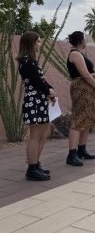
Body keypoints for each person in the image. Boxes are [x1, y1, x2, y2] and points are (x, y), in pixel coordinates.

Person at [17, 31, 56, 181]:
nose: (40, 44)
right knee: (35, 136)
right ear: (32, 43)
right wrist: (49, 91)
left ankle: (36, 164)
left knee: (44, 133)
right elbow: (37, 82)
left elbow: (42, 80)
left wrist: (50, 90)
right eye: (38, 41)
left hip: (39, 100)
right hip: (34, 101)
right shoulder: (27, 62)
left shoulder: (31, 61)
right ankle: (32, 168)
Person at [66, 31, 95, 166]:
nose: (86, 41)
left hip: (87, 87)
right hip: (82, 88)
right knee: (79, 118)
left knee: (86, 118)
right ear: (81, 39)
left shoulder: (79, 53)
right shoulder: (75, 53)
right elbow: (85, 75)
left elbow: (88, 75)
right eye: (85, 38)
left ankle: (82, 149)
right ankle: (72, 154)